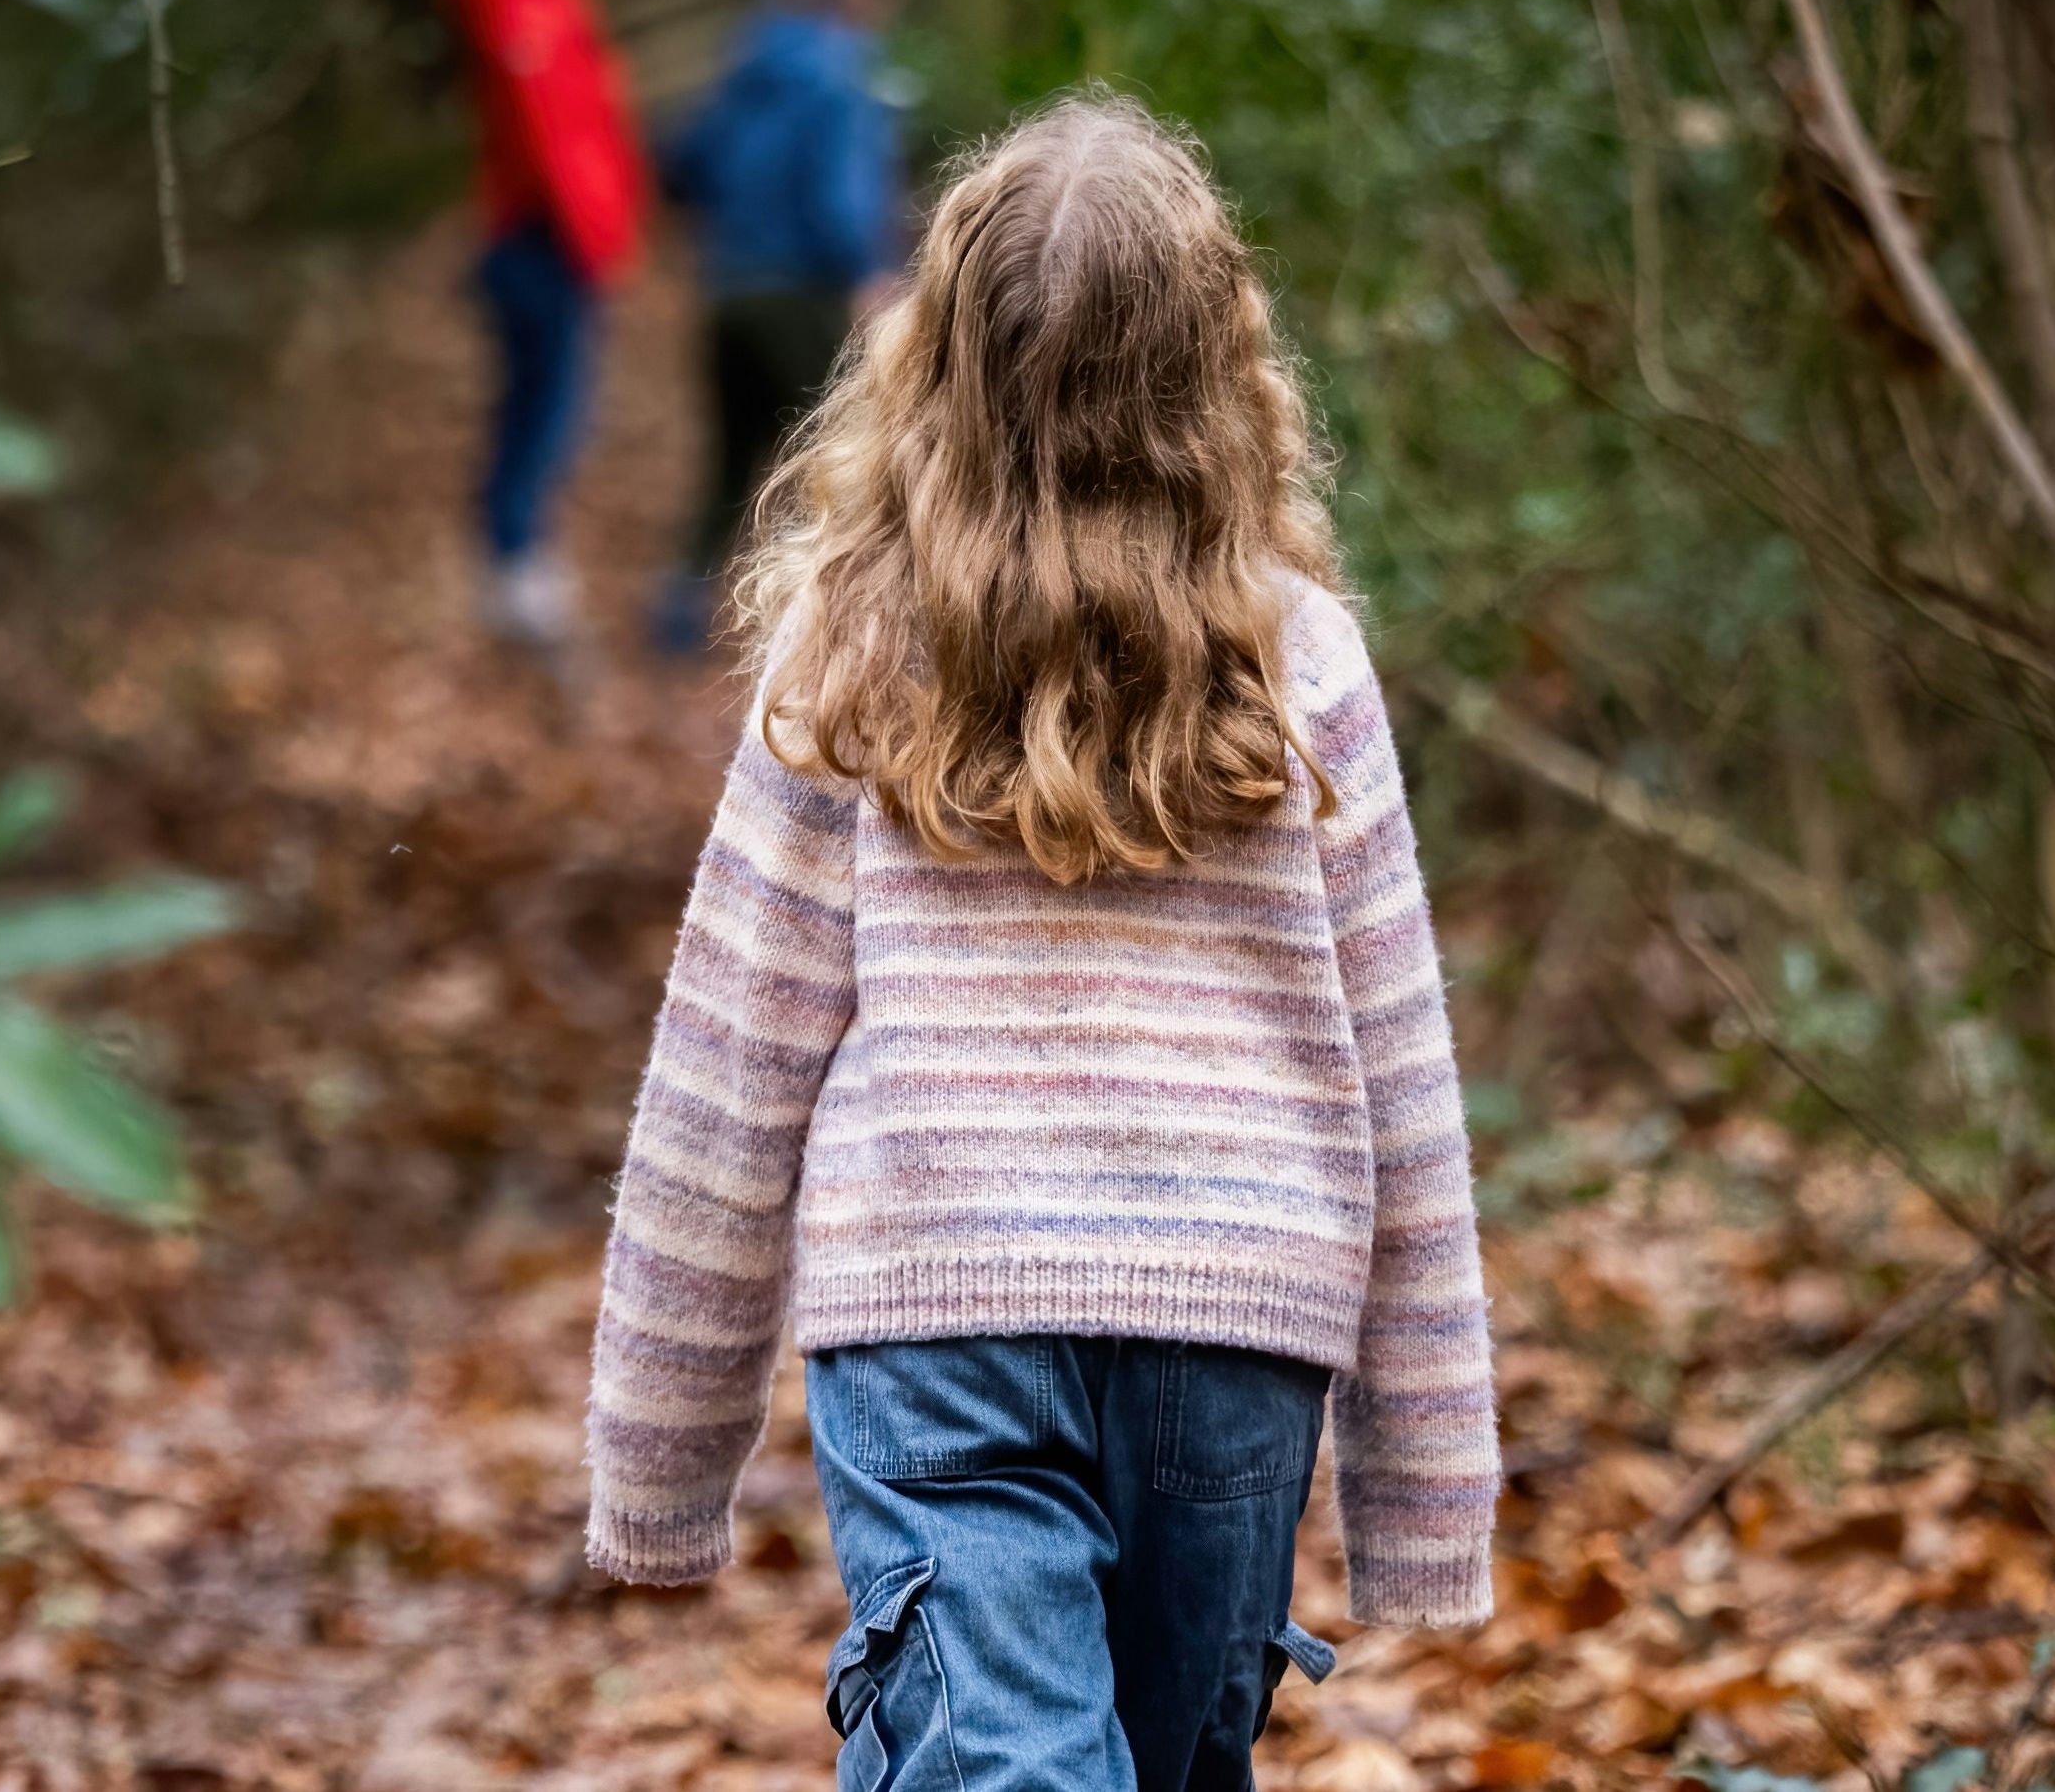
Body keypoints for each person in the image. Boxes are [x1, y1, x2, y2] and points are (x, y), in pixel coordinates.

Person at [582, 95, 1501, 1791]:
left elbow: (727, 1076)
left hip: (940, 1320)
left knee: (1003, 1763)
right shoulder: (1298, 666)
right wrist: (1423, 1494)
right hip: (1236, 1326)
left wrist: (658, 1460)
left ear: (939, 363)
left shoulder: (850, 656)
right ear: (1219, 375)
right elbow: (1405, 1091)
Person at [654, 0, 907, 650]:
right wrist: (867, 271)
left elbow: (684, 165)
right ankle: (828, 639)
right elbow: (839, 195)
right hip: (801, 298)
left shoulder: (748, 66)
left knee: (729, 465)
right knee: (836, 466)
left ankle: (675, 619)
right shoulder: (841, 75)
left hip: (728, 292)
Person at [438, 0, 648, 646]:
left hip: (558, 243)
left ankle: (521, 559)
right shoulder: (515, 1)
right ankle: (514, 566)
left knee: (553, 406)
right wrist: (596, 238)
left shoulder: (554, 1)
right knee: (545, 408)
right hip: (539, 243)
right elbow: (548, 137)